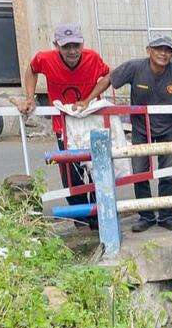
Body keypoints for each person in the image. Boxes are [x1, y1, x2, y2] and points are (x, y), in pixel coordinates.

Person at [79, 36, 172, 232]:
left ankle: (166, 215)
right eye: (158, 49)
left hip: (169, 130)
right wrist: (87, 100)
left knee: (167, 174)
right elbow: (109, 79)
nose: (163, 54)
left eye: (167, 50)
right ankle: (146, 216)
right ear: (149, 50)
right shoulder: (135, 67)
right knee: (140, 173)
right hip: (141, 129)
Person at [16, 23, 110, 228]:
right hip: (64, 126)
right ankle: (80, 218)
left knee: (97, 168)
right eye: (66, 46)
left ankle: (99, 216)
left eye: (76, 45)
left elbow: (108, 77)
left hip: (91, 122)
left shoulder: (93, 58)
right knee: (71, 172)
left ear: (82, 44)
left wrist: (89, 99)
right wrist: (30, 97)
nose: (72, 51)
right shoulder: (45, 59)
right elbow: (31, 70)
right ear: (56, 45)